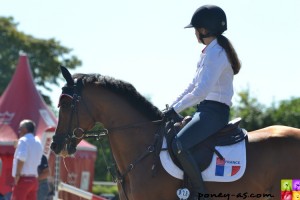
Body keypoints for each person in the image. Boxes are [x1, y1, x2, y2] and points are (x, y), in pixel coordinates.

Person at [163, 5, 241, 200]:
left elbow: (201, 91)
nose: (195, 34)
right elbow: (192, 86)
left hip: (214, 113)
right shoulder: (209, 52)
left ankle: (200, 194)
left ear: (204, 30)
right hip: (205, 110)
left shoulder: (217, 54)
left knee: (180, 144)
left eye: (196, 29)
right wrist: (171, 107)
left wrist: (177, 108)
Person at [11, 119, 43, 200]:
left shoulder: (23, 140)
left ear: (25, 129)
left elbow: (22, 157)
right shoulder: (38, 141)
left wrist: (17, 176)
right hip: (33, 180)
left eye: (20, 128)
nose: (19, 131)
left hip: (23, 179)